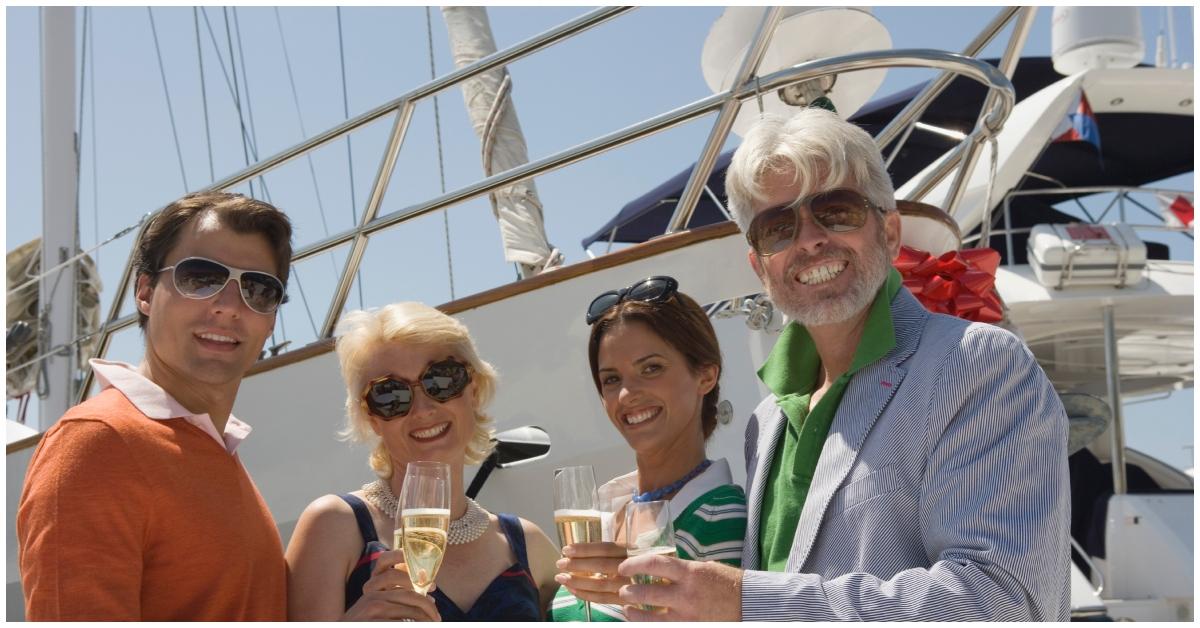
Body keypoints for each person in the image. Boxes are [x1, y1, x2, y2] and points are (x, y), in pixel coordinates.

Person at [614, 108, 1070, 621]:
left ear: (890, 232)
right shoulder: (765, 424)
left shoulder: (978, 365)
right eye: (777, 227)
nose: (808, 240)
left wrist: (744, 599)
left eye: (837, 210)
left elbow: (999, 604)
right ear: (759, 265)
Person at [17, 191, 294, 620]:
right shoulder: (99, 442)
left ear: (272, 316)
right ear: (145, 292)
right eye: (201, 278)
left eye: (258, 289)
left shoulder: (214, 450)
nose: (228, 306)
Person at [285, 301, 561, 621]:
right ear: (372, 418)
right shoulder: (334, 525)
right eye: (390, 394)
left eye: (441, 380)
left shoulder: (526, 543)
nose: (422, 409)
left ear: (473, 388)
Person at [551, 277, 747, 621]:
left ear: (706, 376)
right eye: (611, 379)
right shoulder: (602, 509)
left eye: (651, 368)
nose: (627, 395)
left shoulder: (719, 513)